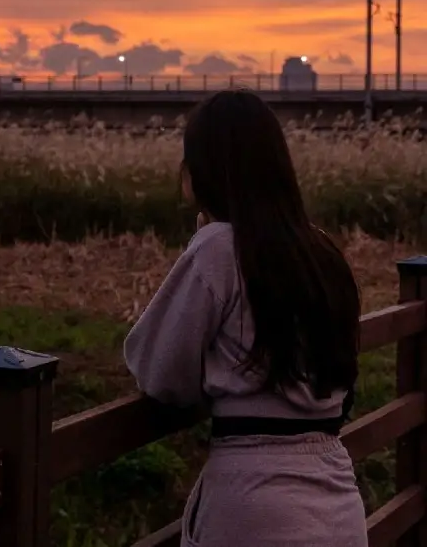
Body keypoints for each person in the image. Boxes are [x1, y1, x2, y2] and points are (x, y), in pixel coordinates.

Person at [124, 90, 367, 547]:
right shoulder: (322, 252)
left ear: (202, 171)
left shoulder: (217, 248)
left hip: (253, 505)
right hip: (336, 497)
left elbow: (158, 371)